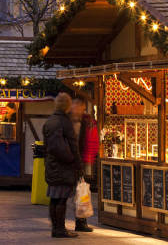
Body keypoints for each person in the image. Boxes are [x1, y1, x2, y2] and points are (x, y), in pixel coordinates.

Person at [43, 93, 82, 238]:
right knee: (61, 199)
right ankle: (60, 229)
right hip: (63, 167)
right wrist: (74, 161)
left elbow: (49, 146)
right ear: (67, 105)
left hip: (52, 166)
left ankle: (56, 228)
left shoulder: (50, 120)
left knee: (54, 199)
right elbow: (70, 145)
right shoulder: (64, 121)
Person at [70, 97, 98, 233]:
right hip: (72, 160)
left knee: (81, 191)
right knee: (74, 191)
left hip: (82, 160)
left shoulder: (87, 122)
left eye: (78, 106)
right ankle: (78, 221)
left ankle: (81, 221)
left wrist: (88, 159)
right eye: (74, 105)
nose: (75, 108)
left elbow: (91, 142)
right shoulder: (70, 121)